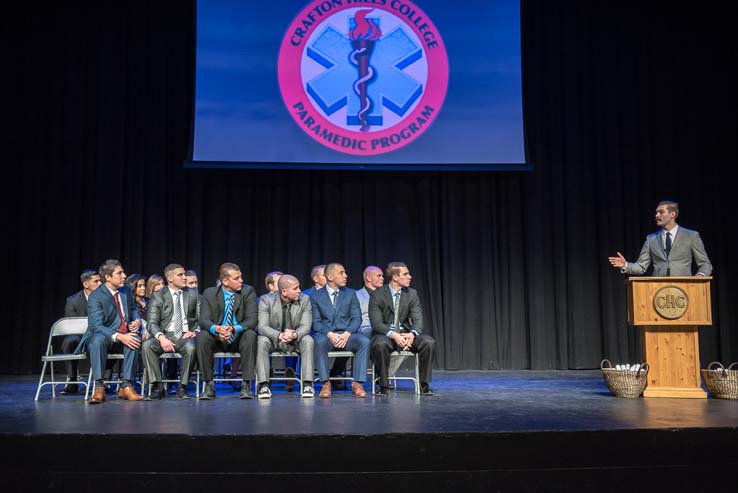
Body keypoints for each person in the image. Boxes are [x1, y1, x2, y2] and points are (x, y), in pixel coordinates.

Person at [75, 259, 144, 403]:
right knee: (98, 339)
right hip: (104, 337)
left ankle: (126, 386)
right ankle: (99, 387)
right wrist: (119, 336)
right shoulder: (96, 296)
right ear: (108, 277)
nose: (124, 276)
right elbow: (96, 326)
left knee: (133, 339)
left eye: (123, 272)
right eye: (119, 273)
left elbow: (132, 309)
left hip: (123, 335)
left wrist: (136, 320)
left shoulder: (125, 291)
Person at [369, 262, 435, 396]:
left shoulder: (412, 294)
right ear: (395, 278)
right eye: (405, 274)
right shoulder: (378, 294)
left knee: (428, 342)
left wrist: (412, 334)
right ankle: (383, 385)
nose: (409, 277)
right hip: (386, 334)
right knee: (380, 344)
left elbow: (418, 319)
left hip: (405, 333)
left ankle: (423, 384)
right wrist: (394, 335)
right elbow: (376, 323)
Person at [197, 262, 258, 400]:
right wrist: (217, 329)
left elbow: (252, 320)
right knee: (203, 336)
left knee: (250, 335)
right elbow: (204, 320)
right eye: (236, 278)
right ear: (225, 281)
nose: (241, 280)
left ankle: (246, 384)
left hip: (238, 336)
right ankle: (209, 385)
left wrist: (233, 329)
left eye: (240, 277)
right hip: (217, 337)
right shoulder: (210, 293)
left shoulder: (248, 291)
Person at [310, 262, 369, 398]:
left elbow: (356, 318)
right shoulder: (316, 296)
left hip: (346, 335)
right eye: (341, 273)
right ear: (330, 277)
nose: (346, 276)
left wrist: (346, 334)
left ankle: (357, 383)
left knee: (364, 341)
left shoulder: (350, 294)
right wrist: (330, 334)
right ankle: (325, 383)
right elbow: (316, 322)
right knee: (319, 341)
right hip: (326, 335)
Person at [608, 200, 713, 277]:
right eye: (656, 213)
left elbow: (705, 264)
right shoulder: (651, 239)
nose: (657, 215)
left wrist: (700, 276)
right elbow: (641, 267)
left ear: (672, 214)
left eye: (661, 212)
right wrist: (625, 265)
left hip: (684, 288)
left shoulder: (691, 236)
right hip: (658, 289)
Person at [142, 264, 200, 400]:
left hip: (186, 335)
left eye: (184, 274)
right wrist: (161, 337)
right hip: (165, 334)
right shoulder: (158, 295)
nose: (184, 277)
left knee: (191, 347)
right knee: (147, 345)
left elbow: (201, 318)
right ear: (170, 279)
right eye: (180, 275)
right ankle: (158, 386)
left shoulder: (193, 294)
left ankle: (183, 386)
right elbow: (151, 322)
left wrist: (196, 331)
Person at [256, 275, 315, 399]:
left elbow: (306, 325)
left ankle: (307, 384)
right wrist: (280, 335)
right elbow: (262, 327)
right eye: (295, 288)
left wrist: (294, 334)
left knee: (308, 339)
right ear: (284, 291)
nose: (299, 290)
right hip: (274, 339)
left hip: (295, 340)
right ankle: (263, 385)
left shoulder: (305, 299)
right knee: (261, 340)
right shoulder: (266, 300)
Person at [60, 269, 101, 394]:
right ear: (86, 284)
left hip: (99, 332)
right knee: (70, 340)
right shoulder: (73, 300)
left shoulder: (106, 298)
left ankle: (104, 382)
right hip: (79, 334)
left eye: (100, 281)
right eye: (96, 281)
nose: (100, 284)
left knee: (107, 339)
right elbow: (71, 324)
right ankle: (72, 380)